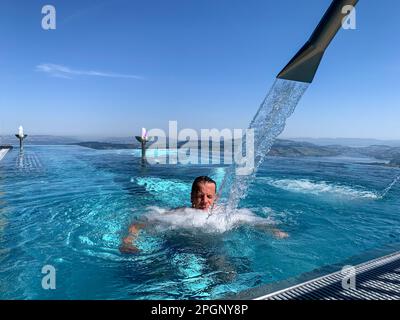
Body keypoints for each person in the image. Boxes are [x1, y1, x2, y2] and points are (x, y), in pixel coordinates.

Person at [119, 176, 288, 254]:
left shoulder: (223, 213)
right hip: (181, 247)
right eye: (200, 196)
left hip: (214, 247)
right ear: (192, 197)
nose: (205, 201)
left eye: (209, 197)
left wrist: (274, 231)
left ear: (215, 198)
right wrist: (128, 240)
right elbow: (140, 222)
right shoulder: (179, 213)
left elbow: (252, 220)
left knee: (227, 274)